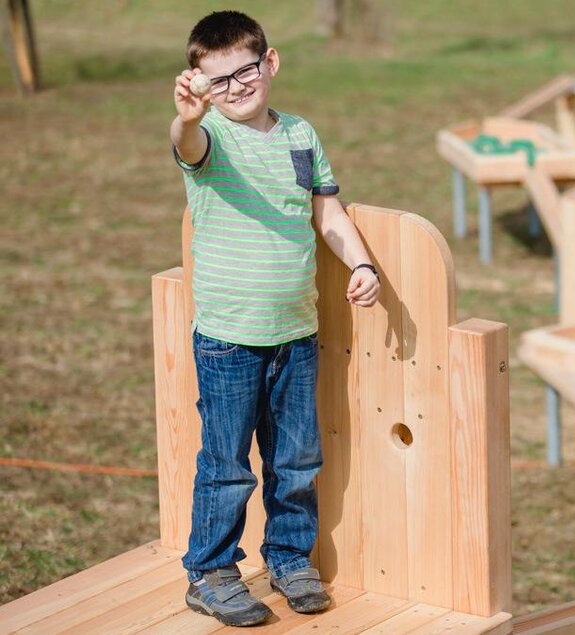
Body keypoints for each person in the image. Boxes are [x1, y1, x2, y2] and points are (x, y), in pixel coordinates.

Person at [170, 10, 380, 627]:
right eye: (220, 79)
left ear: (271, 62)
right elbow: (187, 143)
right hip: (229, 340)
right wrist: (186, 116)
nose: (237, 86)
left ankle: (289, 558)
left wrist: (362, 264)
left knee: (296, 460)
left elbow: (330, 216)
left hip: (296, 334)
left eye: (247, 69)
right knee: (227, 464)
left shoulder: (300, 135)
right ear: (202, 86)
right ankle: (210, 572)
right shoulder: (210, 137)